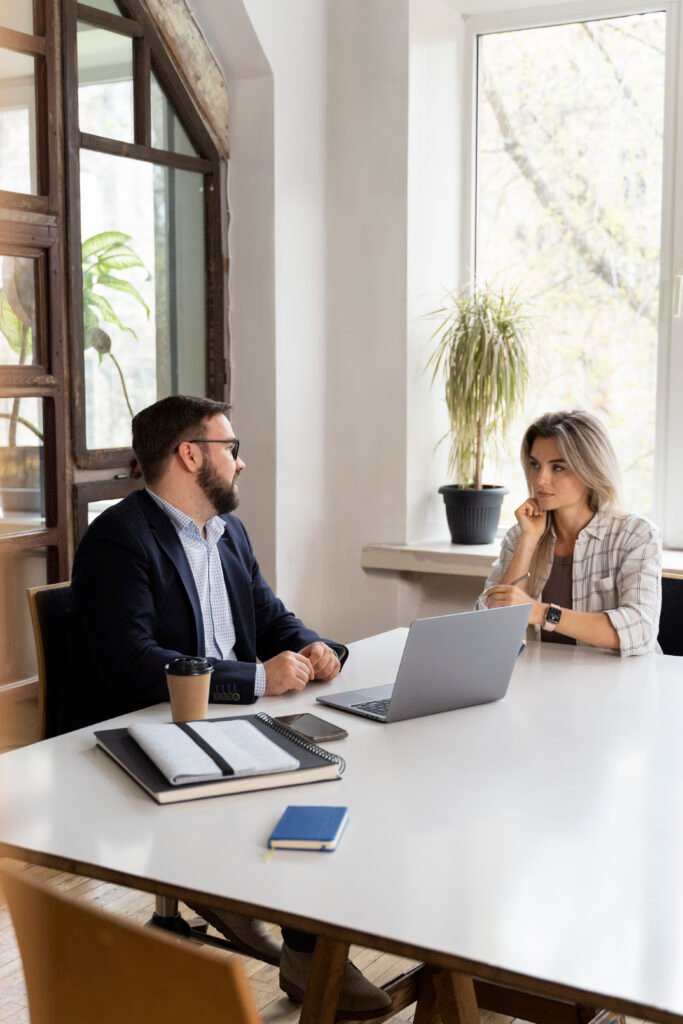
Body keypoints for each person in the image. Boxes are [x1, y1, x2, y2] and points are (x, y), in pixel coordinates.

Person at [68, 395, 391, 1019]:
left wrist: (310, 645)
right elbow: (130, 663)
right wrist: (253, 679)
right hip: (158, 727)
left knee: (351, 770)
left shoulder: (227, 531)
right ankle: (302, 945)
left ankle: (297, 930)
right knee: (311, 786)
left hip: (238, 717)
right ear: (190, 454)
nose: (240, 464)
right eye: (231, 449)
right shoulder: (119, 537)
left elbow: (268, 615)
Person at [477, 410, 662, 655]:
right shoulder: (519, 534)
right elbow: (488, 626)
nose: (540, 479)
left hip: (621, 685)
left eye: (558, 468)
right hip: (545, 680)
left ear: (590, 470)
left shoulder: (636, 535)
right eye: (535, 465)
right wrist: (529, 541)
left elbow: (640, 630)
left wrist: (539, 612)